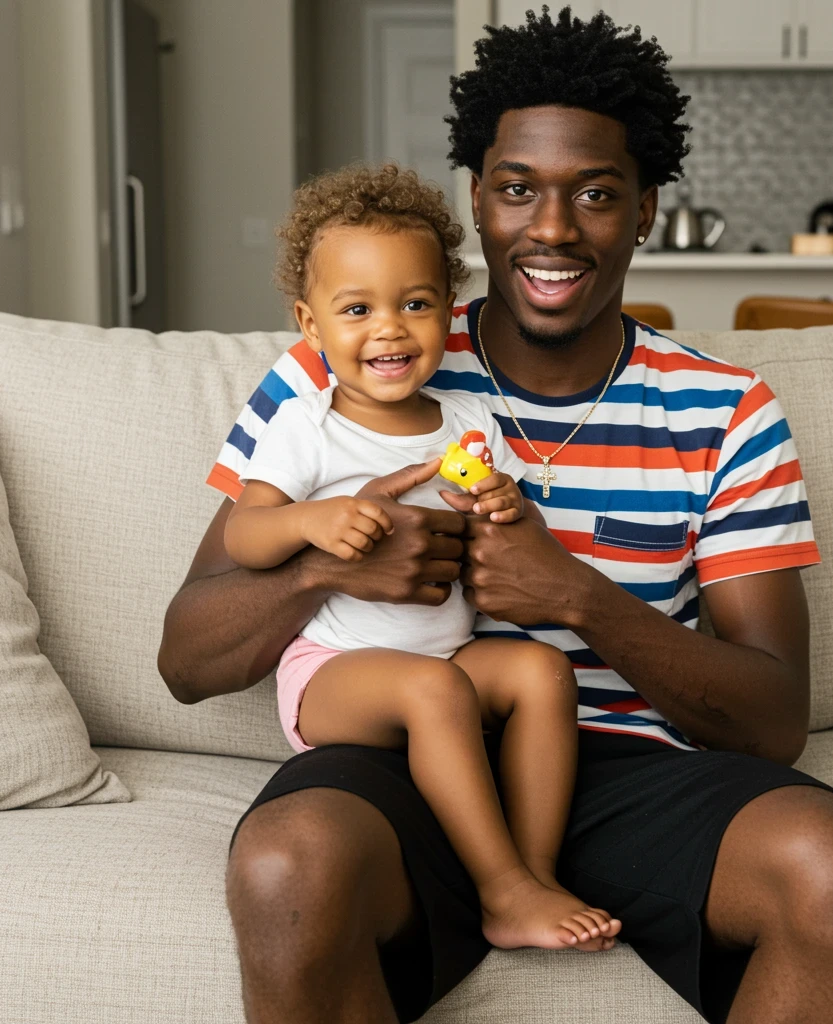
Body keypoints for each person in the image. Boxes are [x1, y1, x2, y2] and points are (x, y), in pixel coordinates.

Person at [159, 9, 833, 1024]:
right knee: (288, 864)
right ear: (477, 199)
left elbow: (774, 719)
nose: (551, 228)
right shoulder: (347, 367)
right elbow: (186, 659)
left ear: (646, 210)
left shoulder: (724, 408)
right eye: (517, 189)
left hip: (626, 771)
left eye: (596, 194)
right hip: (401, 767)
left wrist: (575, 596)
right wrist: (328, 569)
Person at [221, 163, 620, 952]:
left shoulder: (468, 419)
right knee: (437, 690)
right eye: (358, 309)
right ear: (311, 324)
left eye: (415, 304)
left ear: (447, 310)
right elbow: (244, 534)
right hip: (335, 671)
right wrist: (317, 520)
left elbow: (506, 538)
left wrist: (505, 507)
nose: (390, 330)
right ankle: (499, 890)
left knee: (541, 673)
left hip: (449, 654)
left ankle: (531, 873)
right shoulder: (306, 426)